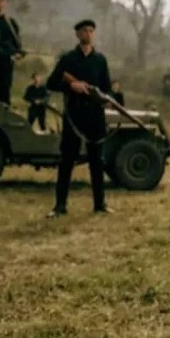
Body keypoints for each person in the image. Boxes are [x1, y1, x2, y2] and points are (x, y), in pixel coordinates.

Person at [45, 19, 113, 218]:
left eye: (91, 30)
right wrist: (70, 86)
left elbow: (107, 88)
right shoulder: (68, 59)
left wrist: (105, 99)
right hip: (74, 115)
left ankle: (100, 204)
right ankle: (60, 206)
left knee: (96, 162)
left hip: (95, 116)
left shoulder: (100, 60)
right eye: (85, 31)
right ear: (77, 34)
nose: (88, 34)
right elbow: (51, 83)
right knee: (66, 161)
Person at [0, 0, 23, 105]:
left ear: (5, 3)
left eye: (2, 1)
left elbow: (17, 45)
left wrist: (16, 55)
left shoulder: (11, 23)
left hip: (5, 64)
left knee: (4, 95)